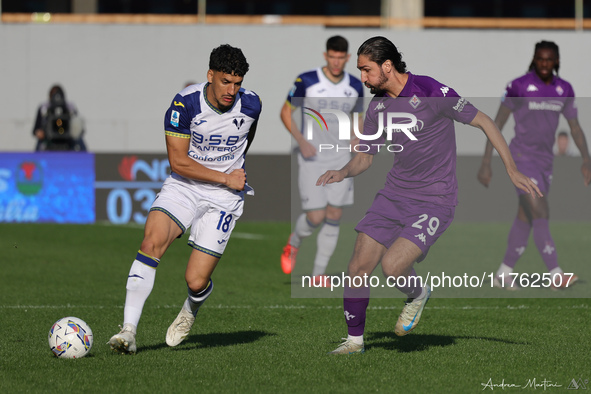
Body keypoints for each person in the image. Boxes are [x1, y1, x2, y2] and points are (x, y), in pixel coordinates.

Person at [316, 36, 540, 355]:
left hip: (436, 200)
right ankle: (354, 342)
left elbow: (484, 121)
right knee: (357, 267)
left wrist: (512, 169)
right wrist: (343, 171)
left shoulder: (431, 91)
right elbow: (365, 157)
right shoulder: (378, 106)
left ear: (387, 66)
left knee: (392, 267)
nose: (362, 78)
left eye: (366, 70)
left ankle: (418, 294)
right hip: (393, 195)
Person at [109, 44, 262, 354]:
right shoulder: (185, 104)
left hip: (224, 198)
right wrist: (226, 175)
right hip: (184, 186)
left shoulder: (252, 105)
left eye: (237, 83)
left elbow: (245, 141)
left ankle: (191, 310)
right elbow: (178, 163)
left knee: (195, 281)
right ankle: (128, 332)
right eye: (225, 81)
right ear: (210, 75)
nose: (231, 90)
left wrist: (232, 178)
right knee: (151, 244)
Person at [478, 40, 591, 291]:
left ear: (556, 62)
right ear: (534, 59)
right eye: (540, 58)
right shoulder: (518, 86)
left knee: (526, 217)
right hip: (521, 158)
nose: (544, 63)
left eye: (549, 59)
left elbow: (574, 126)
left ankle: (503, 274)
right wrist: (487, 162)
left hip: (545, 162)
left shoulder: (564, 89)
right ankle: (556, 273)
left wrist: (586, 158)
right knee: (540, 210)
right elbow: (495, 123)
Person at [280, 35, 364, 280]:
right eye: (332, 57)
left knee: (335, 213)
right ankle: (293, 243)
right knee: (316, 216)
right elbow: (286, 112)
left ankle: (318, 274)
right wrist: (302, 141)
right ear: (325, 56)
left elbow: (358, 117)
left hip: (341, 158)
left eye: (341, 57)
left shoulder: (356, 85)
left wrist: (356, 137)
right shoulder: (306, 80)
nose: (336, 62)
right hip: (312, 158)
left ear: (347, 58)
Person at [32, 84, 87, 151]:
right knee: (40, 143)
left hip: (68, 139)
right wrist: (40, 132)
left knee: (79, 139)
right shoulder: (43, 109)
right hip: (48, 139)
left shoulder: (70, 108)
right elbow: (35, 130)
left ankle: (85, 159)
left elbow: (80, 129)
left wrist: (75, 130)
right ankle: (37, 159)